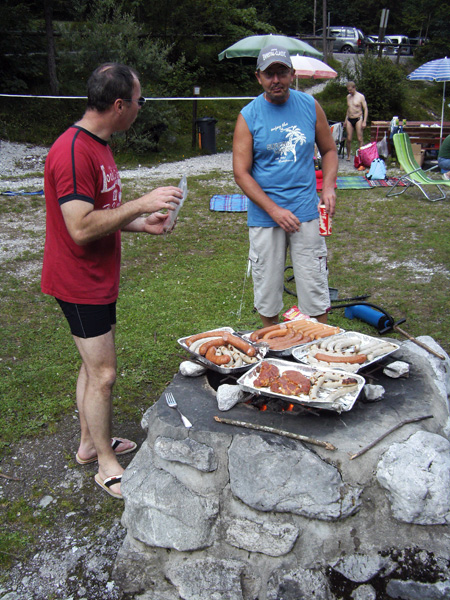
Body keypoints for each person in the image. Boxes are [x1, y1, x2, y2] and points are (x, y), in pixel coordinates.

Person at [41, 63, 182, 500]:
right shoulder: (72, 152)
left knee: (92, 366)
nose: (141, 108)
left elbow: (101, 217)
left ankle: (88, 444)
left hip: (97, 278)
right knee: (103, 373)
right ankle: (105, 463)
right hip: (78, 280)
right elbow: (80, 227)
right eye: (140, 101)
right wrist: (142, 200)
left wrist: (143, 223)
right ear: (120, 105)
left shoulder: (99, 146)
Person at [233, 45, 338, 328]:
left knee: (314, 289)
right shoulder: (248, 115)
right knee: (267, 292)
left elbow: (328, 150)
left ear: (292, 74)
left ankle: (318, 351)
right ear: (259, 77)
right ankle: (274, 351)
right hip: (266, 217)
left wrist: (328, 187)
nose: (276, 79)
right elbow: (241, 173)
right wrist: (274, 210)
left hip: (305, 212)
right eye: (269, 74)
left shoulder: (309, 106)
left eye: (281, 72)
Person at [344, 81, 368, 161]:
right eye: (348, 90)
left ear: (354, 88)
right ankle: (348, 156)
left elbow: (365, 109)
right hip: (349, 118)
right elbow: (348, 109)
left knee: (359, 138)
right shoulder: (348, 97)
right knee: (349, 138)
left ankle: (361, 155)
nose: (349, 91)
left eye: (351, 90)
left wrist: (364, 121)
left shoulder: (360, 96)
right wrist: (345, 120)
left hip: (358, 118)